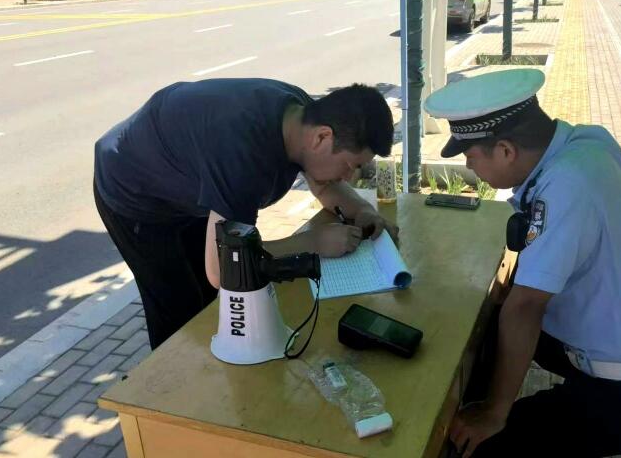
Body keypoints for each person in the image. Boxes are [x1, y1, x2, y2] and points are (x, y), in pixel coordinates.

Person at [423, 69, 621, 457]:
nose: (471, 168)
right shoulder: (586, 143)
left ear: (505, 151)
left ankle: (481, 413)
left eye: (471, 157)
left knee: (481, 446)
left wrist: (495, 412)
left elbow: (526, 307)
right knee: (491, 325)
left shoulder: (566, 185)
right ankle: (477, 399)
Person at [94, 78, 396, 350]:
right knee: (179, 314)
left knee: (213, 307)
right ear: (322, 138)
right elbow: (224, 269)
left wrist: (362, 211)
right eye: (350, 165)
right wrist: (313, 242)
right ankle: (165, 390)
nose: (350, 177)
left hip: (185, 178)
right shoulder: (242, 155)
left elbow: (324, 185)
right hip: (134, 192)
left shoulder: (304, 116)